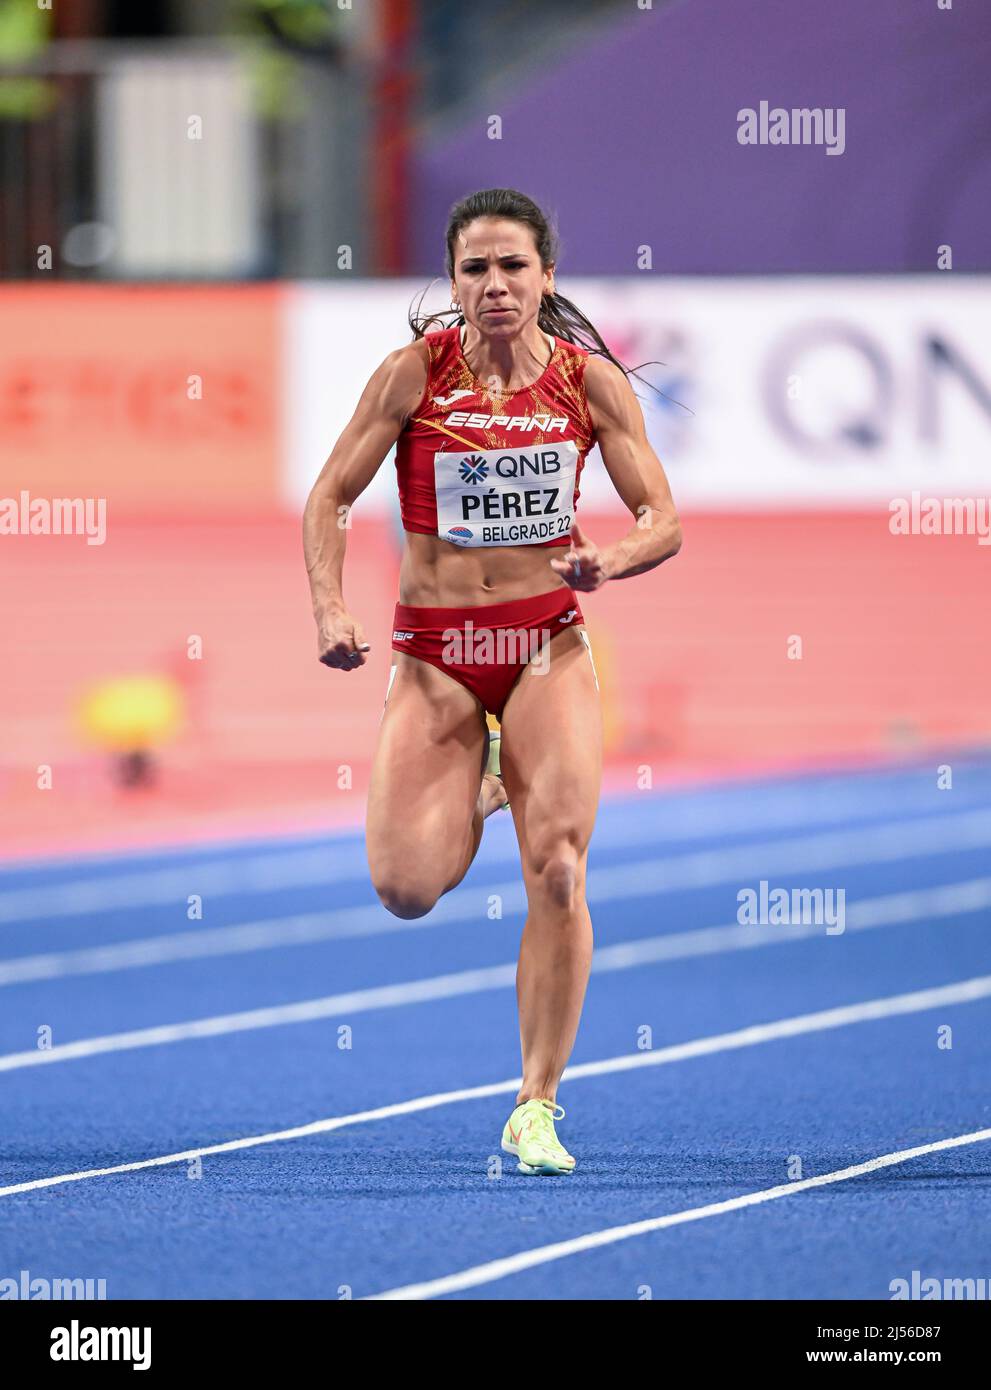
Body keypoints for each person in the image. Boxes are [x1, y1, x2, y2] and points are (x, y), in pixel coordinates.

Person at [303, 188, 681, 1175]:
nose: (496, 285)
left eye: (513, 266)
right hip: (435, 656)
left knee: (557, 863)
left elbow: (662, 518)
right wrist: (331, 611)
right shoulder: (410, 376)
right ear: (455, 281)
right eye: (475, 268)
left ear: (545, 275)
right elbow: (331, 496)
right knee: (405, 888)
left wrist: (614, 560)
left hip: (545, 646)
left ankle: (535, 1103)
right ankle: (484, 773)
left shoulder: (589, 383)